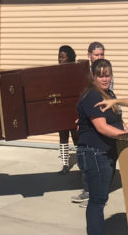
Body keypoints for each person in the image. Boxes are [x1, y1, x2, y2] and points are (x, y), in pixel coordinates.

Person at [76, 58, 128, 235]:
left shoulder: (110, 95)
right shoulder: (93, 95)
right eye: (100, 76)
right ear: (93, 77)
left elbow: (119, 122)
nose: (104, 79)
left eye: (107, 75)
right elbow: (102, 127)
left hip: (104, 153)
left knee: (100, 198)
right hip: (94, 153)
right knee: (97, 200)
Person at [71, 41, 109, 207]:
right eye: (96, 55)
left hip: (99, 118)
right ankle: (89, 191)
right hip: (88, 118)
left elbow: (107, 97)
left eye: (101, 54)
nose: (99, 57)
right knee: (85, 157)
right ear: (89, 55)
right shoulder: (82, 72)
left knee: (98, 157)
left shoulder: (105, 71)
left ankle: (96, 196)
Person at [57, 45, 79, 174]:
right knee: (63, 137)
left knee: (77, 138)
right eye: (59, 57)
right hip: (61, 109)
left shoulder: (76, 71)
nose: (60, 59)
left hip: (74, 110)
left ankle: (82, 162)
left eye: (63, 57)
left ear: (69, 57)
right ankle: (65, 165)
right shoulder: (56, 71)